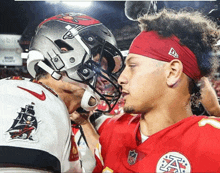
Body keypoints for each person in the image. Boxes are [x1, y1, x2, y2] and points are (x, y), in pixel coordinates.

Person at [93, 9, 220, 172]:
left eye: (132, 66)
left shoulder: (213, 143)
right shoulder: (111, 130)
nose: (121, 78)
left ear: (173, 72)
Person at [0, 12, 124, 173]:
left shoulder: (52, 106)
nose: (105, 78)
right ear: (64, 53)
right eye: (100, 66)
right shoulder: (28, 98)